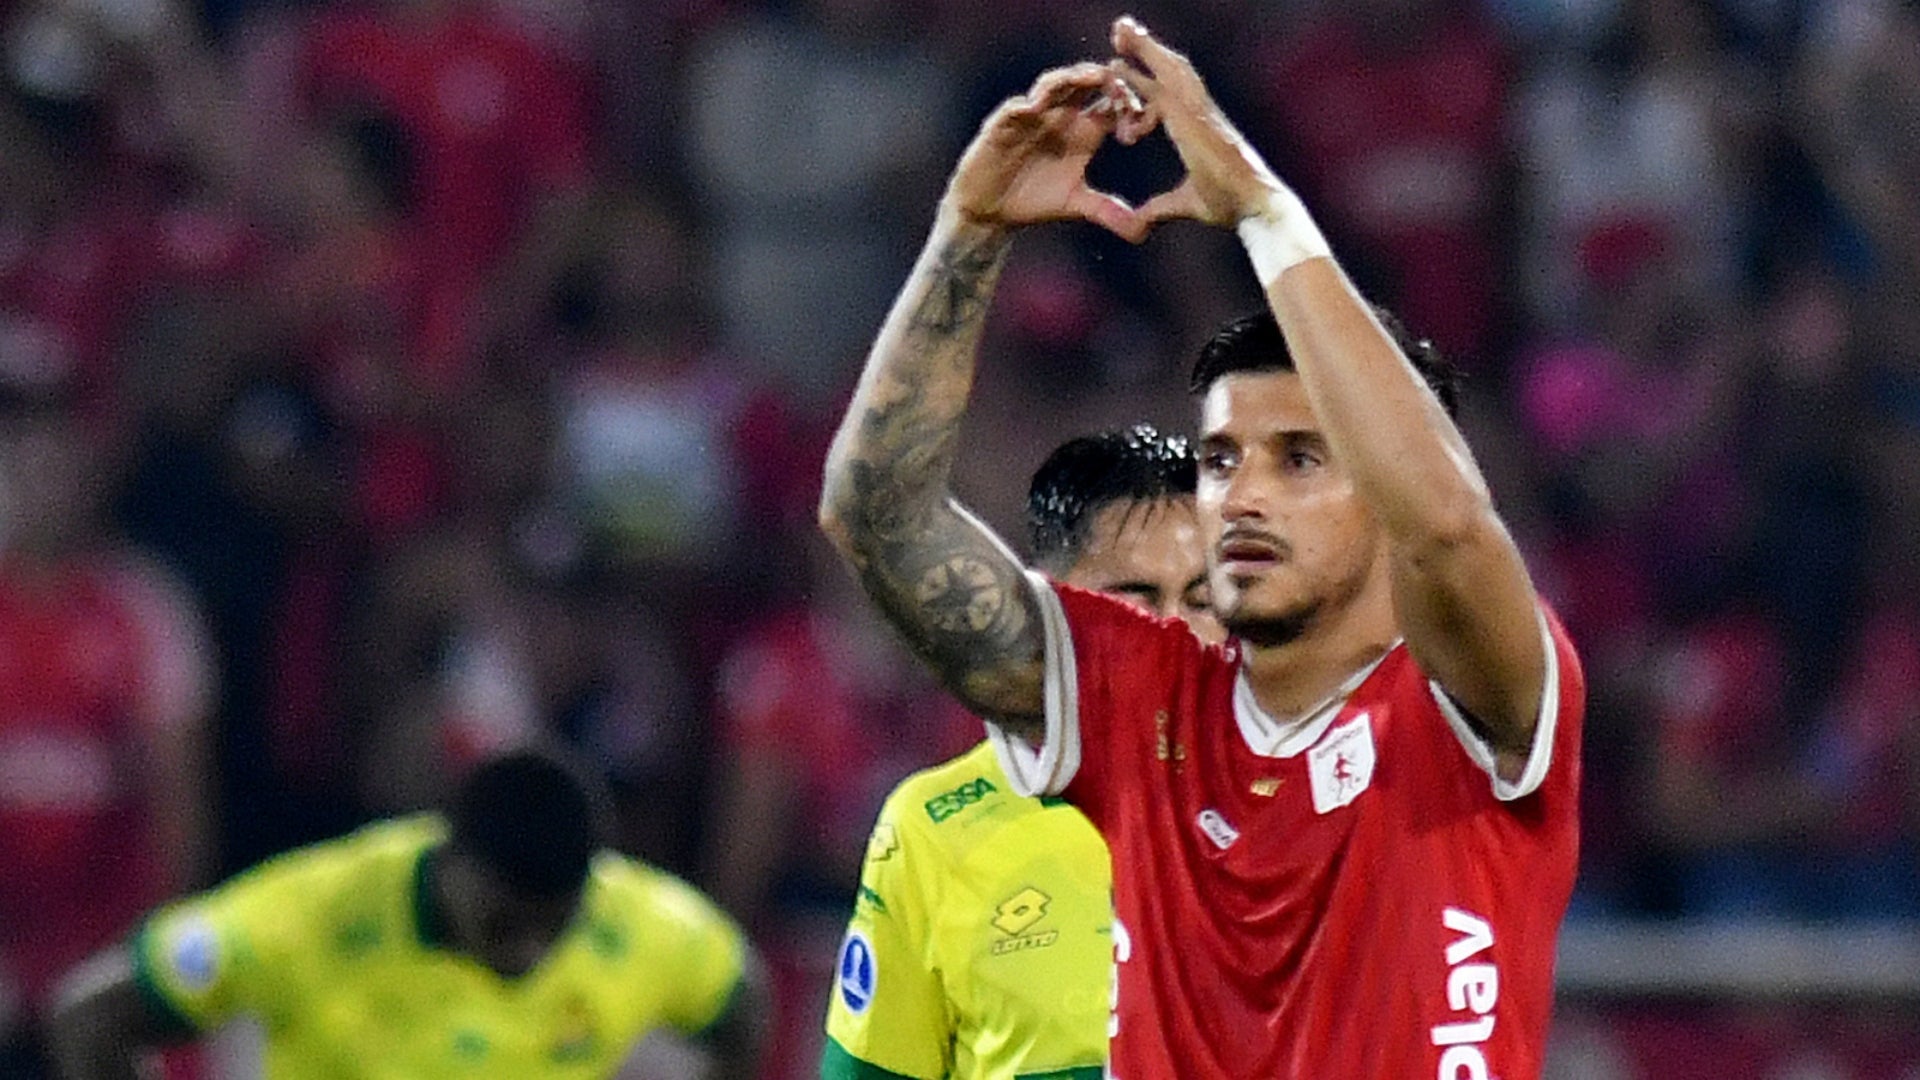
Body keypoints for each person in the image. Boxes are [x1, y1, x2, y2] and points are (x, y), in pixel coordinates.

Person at [816, 18, 1583, 1080]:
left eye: (1300, 460)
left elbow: (1450, 529)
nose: (1243, 496)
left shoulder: (1471, 704)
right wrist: (970, 232)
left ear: (1386, 487)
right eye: (1221, 461)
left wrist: (1265, 214)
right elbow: (878, 520)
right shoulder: (1143, 699)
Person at [822, 425, 1220, 1080]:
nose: (1176, 632)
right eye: (1135, 601)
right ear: (1049, 609)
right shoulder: (937, 827)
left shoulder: (1315, 795)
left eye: (1204, 601)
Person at [46, 746, 769, 1080]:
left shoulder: (639, 924)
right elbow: (91, 1015)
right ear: (453, 859)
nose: (529, 952)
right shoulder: (313, 913)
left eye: (555, 927)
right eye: (504, 924)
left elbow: (744, 1004)